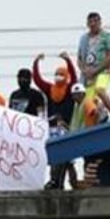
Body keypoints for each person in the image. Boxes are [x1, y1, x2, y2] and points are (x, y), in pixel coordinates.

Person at [34, 54, 79, 190]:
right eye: (57, 74)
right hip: (52, 128)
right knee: (54, 157)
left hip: (66, 128)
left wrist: (68, 61)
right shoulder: (50, 89)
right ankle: (55, 181)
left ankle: (73, 183)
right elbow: (38, 80)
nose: (58, 76)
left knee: (69, 160)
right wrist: (36, 63)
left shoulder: (70, 89)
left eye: (61, 74)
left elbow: (74, 77)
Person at [77, 12, 110, 120]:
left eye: (95, 21)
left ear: (100, 22)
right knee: (87, 102)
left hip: (103, 71)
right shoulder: (84, 39)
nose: (93, 24)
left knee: (100, 89)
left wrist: (96, 70)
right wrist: (84, 71)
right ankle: (99, 117)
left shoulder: (107, 36)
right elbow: (79, 58)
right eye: (90, 22)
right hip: (89, 76)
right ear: (87, 24)